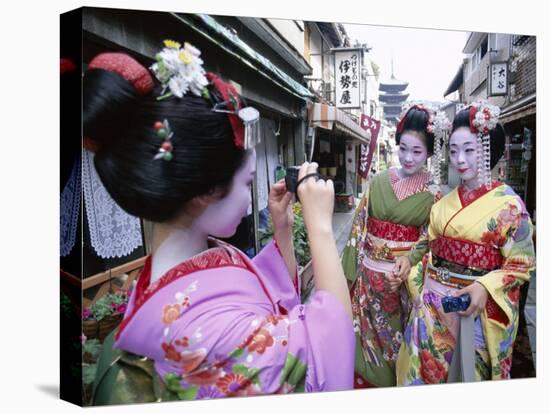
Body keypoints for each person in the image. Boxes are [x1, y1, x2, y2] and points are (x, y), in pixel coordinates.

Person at [85, 41, 354, 404]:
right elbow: (327, 346)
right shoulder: (203, 332)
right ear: (206, 191)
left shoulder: (185, 266)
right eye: (246, 183)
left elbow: (261, 298)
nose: (249, 198)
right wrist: (320, 228)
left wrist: (284, 231)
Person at [396, 101, 535, 385]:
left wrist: (486, 286)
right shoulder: (443, 203)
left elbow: (521, 263)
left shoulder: (509, 206)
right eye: (454, 150)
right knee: (424, 375)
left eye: (470, 150)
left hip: (477, 311)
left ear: (487, 150)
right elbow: (429, 243)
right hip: (433, 308)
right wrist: (412, 265)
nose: (460, 159)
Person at [341, 104, 449, 388]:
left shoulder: (434, 193)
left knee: (401, 345)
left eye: (417, 151)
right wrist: (349, 276)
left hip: (404, 282)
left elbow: (431, 238)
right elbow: (357, 228)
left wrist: (412, 263)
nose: (408, 157)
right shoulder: (377, 182)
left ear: (429, 153)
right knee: (365, 346)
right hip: (369, 280)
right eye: (403, 148)